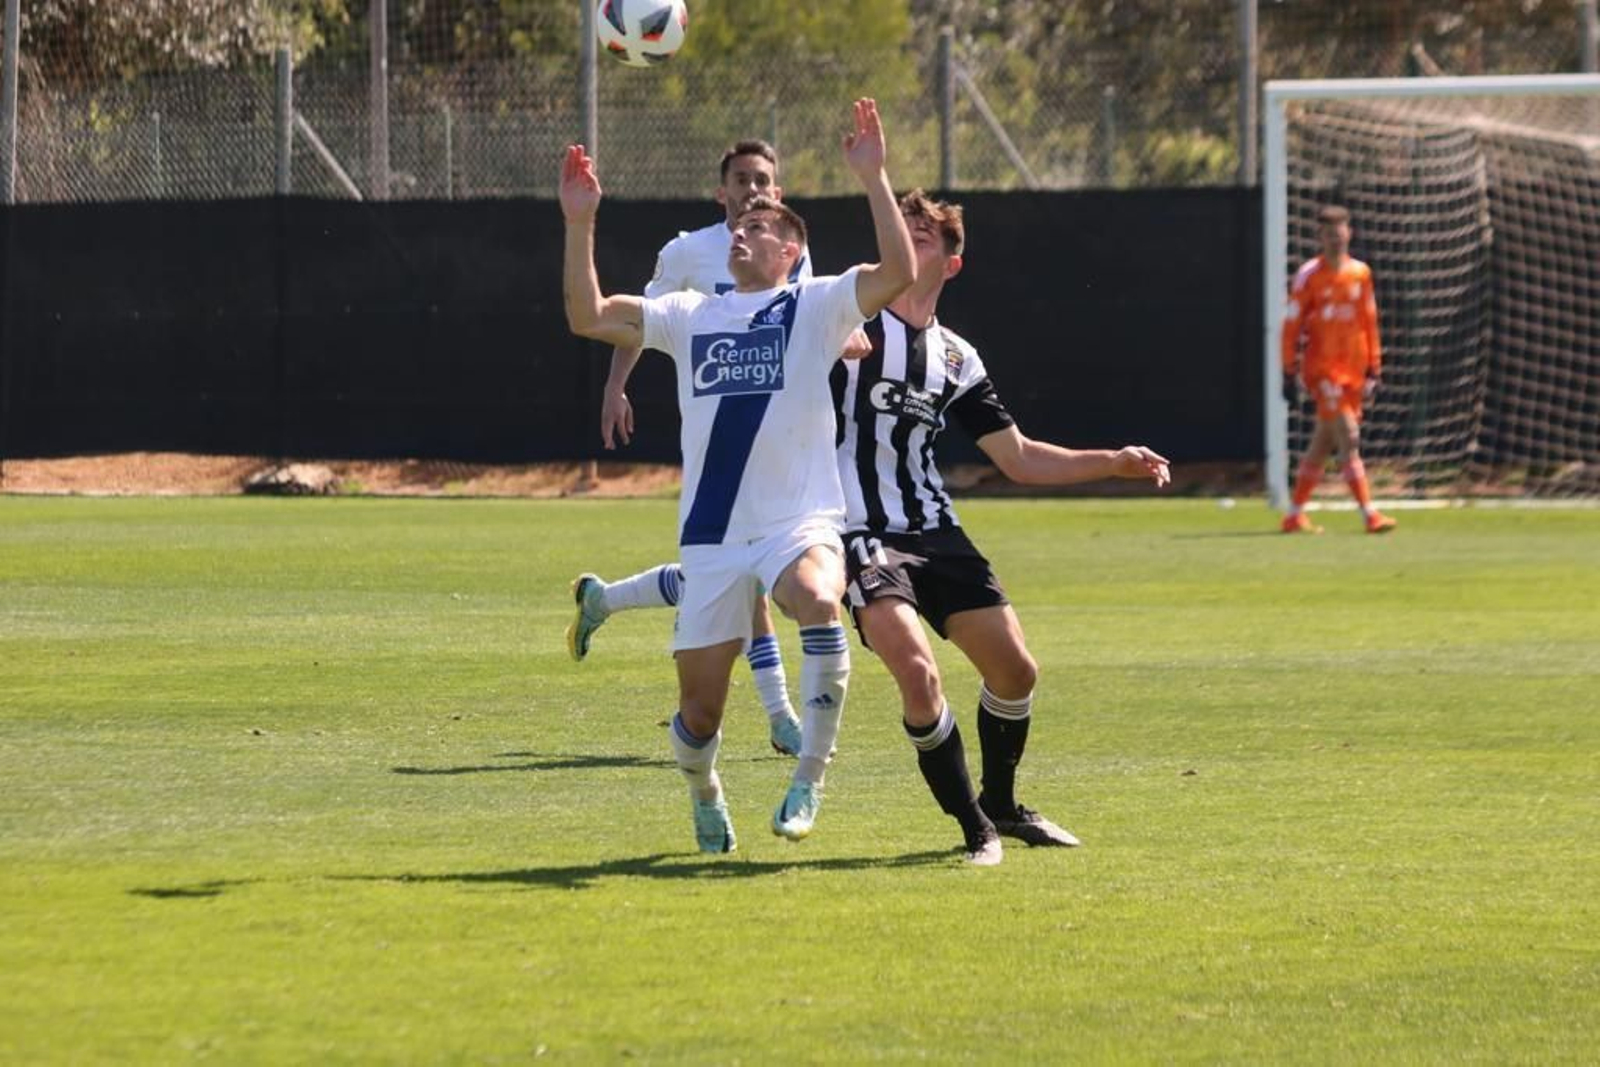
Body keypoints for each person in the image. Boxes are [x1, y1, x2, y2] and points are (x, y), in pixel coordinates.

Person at [558, 98, 915, 853]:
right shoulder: (690, 312)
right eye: (739, 223)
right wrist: (580, 221)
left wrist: (874, 178)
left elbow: (898, 271)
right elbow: (587, 314)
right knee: (699, 716)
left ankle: (808, 777)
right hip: (713, 533)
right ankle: (704, 790)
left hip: (798, 520)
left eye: (761, 225)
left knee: (820, 597)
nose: (744, 229)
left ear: (791, 250)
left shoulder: (813, 305)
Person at [832, 189, 1170, 865]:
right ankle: (973, 829)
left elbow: (1016, 457)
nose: (910, 239)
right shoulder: (847, 320)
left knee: (1016, 671)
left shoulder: (956, 357)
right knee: (918, 673)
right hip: (859, 533)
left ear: (952, 264)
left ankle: (1002, 805)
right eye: (905, 228)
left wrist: (1113, 461)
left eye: (926, 234)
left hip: (935, 529)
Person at [565, 139, 814, 760]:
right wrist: (616, 385)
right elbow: (637, 319)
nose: (753, 187)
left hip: (781, 447)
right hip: (718, 440)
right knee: (746, 581)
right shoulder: (688, 253)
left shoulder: (793, 254)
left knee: (730, 575)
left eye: (763, 179)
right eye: (741, 179)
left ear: (778, 192)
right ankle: (784, 717)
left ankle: (604, 599)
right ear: (721, 192)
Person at [1279, 205, 1396, 535]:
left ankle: (1294, 514)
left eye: (1341, 233)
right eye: (1330, 235)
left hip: (1353, 371)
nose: (1336, 240)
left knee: (1322, 442)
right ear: (1321, 237)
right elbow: (1291, 325)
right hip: (1322, 371)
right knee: (1349, 436)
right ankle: (1369, 514)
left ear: (1349, 234)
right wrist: (1287, 369)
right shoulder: (1308, 277)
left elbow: (1368, 321)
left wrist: (1374, 366)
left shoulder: (1360, 273)